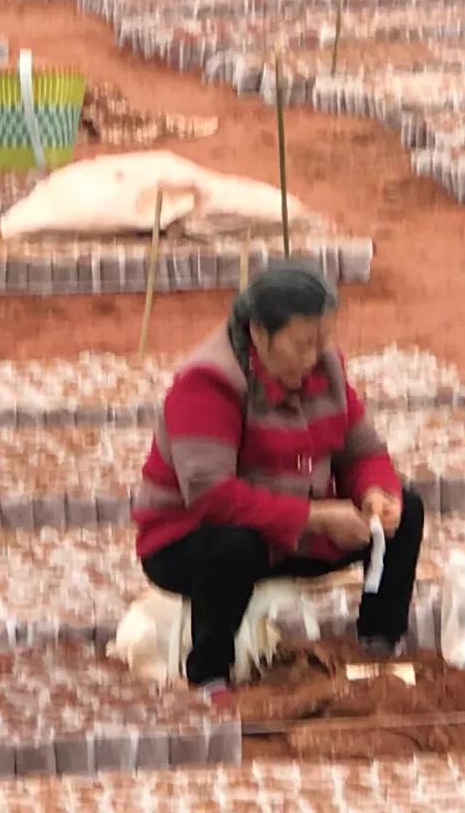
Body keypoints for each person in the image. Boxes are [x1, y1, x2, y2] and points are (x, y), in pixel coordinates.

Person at [133, 260, 424, 697]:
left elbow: (361, 449)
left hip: (291, 534)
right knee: (235, 544)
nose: (315, 356)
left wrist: (374, 494)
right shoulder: (209, 382)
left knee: (408, 508)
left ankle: (378, 646)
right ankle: (209, 673)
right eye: (302, 344)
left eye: (323, 339)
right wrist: (316, 517)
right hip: (190, 541)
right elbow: (212, 496)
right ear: (258, 333)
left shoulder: (325, 369)